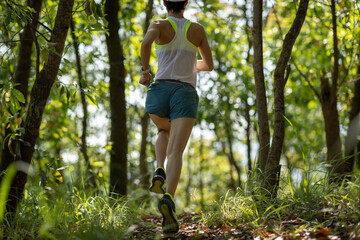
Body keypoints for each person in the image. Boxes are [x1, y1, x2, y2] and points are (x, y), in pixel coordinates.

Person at [140, 0, 213, 234]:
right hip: (184, 92)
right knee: (176, 151)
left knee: (163, 130)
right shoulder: (197, 30)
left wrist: (145, 71)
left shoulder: (159, 25)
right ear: (186, 3)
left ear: (164, 3)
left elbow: (145, 44)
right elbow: (208, 65)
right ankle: (168, 198)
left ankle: (159, 168)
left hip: (158, 91)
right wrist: (190, 63)